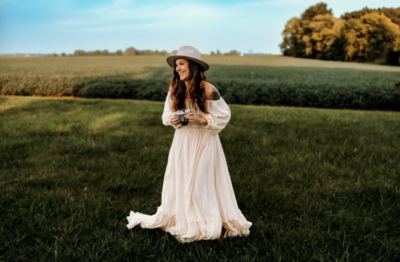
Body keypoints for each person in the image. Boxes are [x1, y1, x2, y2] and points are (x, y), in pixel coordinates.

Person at [126, 46, 252, 243]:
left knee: (201, 181)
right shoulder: (175, 89)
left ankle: (208, 222)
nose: (177, 68)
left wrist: (201, 120)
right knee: (181, 178)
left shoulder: (208, 90)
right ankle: (185, 218)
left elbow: (224, 114)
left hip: (204, 141)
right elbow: (166, 115)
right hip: (182, 141)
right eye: (176, 65)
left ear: (192, 66)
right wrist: (174, 120)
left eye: (181, 63)